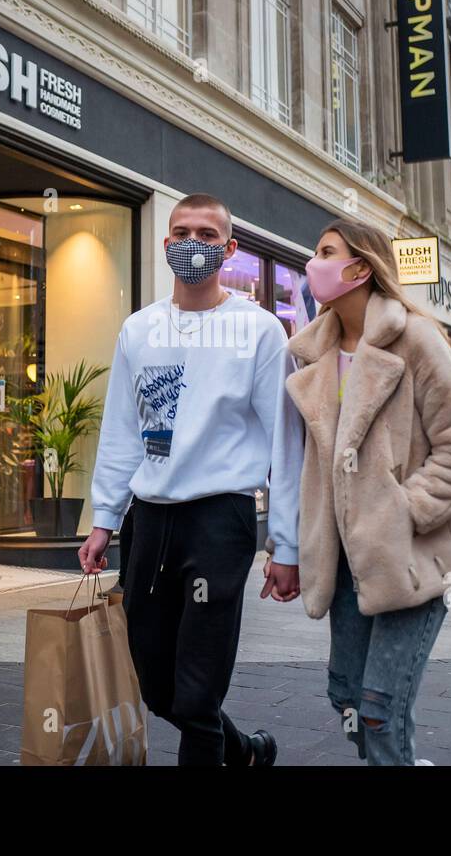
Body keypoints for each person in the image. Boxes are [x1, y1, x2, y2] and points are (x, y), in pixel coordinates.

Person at [77, 193, 304, 767]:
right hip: (150, 521)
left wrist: (287, 542)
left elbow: (286, 442)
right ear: (165, 243)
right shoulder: (140, 329)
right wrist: (105, 519)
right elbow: (122, 431)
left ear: (229, 250)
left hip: (219, 521)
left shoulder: (258, 331)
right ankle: (245, 752)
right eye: (182, 233)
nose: (193, 245)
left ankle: (221, 751)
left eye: (207, 235)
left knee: (198, 687)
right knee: (156, 684)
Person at [283, 218, 451, 766]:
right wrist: (295, 548)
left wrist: (404, 511)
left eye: (326, 252)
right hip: (345, 564)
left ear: (360, 268)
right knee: (347, 699)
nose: (313, 264)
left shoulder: (416, 338)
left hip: (409, 560)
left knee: (378, 706)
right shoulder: (313, 356)